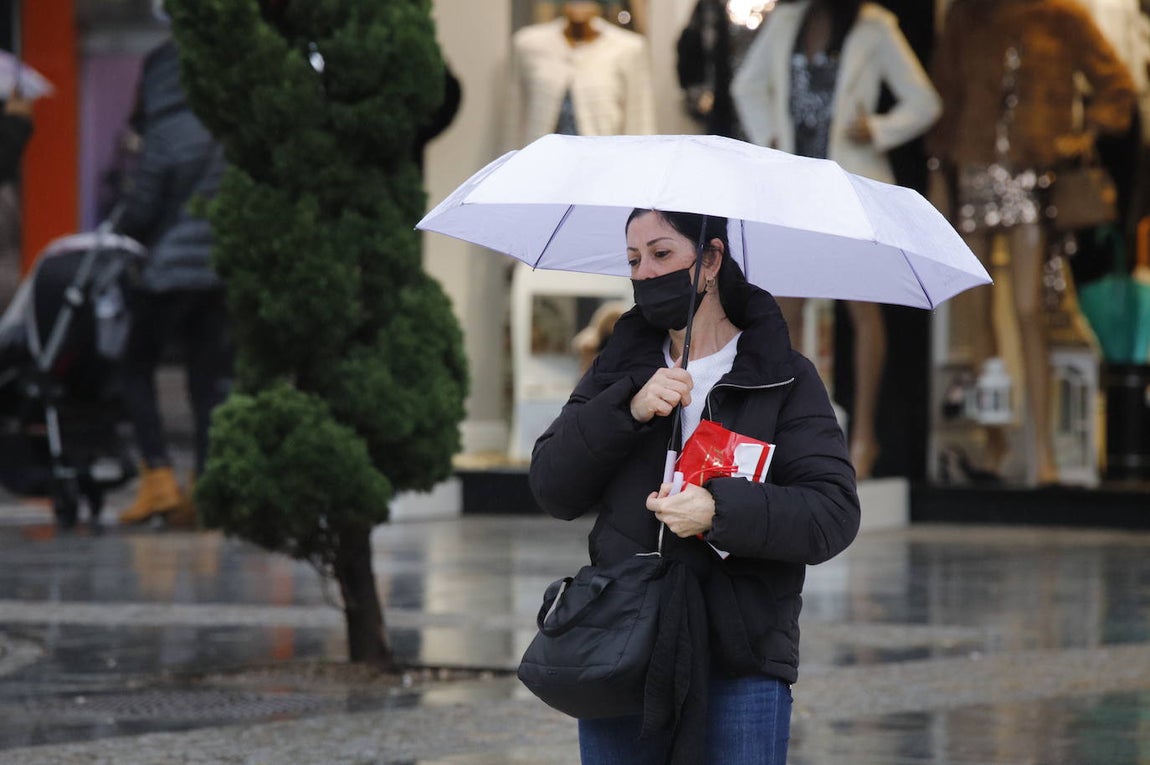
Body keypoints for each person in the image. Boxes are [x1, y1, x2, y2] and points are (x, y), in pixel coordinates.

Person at [529, 209, 861, 764]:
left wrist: (719, 509)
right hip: (620, 644)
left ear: (710, 259)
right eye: (634, 261)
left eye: (662, 254)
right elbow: (551, 487)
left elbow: (831, 512)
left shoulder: (782, 375)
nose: (646, 274)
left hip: (740, 651)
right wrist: (627, 410)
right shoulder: (618, 369)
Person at [730, 0, 941, 479]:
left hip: (851, 184)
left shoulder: (874, 25)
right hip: (794, 185)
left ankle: (865, 437)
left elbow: (925, 101)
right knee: (785, 312)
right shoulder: (788, 20)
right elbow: (746, 84)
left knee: (863, 311)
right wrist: (770, 136)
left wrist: (880, 128)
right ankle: (788, 432)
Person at [927, 0, 1135, 485]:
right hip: (973, 170)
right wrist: (939, 167)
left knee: (1028, 311)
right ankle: (994, 445)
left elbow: (1117, 88)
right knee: (974, 309)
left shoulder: (1062, 14)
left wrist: (1077, 138)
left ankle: (1042, 452)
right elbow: (945, 95)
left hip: (1033, 175)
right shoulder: (965, 15)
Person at [116, 37, 230, 527]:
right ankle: (205, 488)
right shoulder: (228, 129)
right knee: (208, 383)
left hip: (165, 276)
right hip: (219, 274)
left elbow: (143, 209)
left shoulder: (165, 132)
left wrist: (122, 234)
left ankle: (158, 477)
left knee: (134, 367)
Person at [505, 0, 656, 149]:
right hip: (542, 161)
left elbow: (640, 121)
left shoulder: (628, 48)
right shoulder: (529, 44)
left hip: (603, 162)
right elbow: (514, 117)